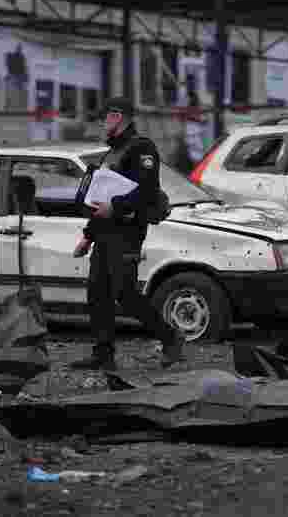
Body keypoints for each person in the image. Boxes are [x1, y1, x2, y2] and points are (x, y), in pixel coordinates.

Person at [70, 97, 184, 371]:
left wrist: (117, 206)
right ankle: (103, 354)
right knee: (98, 292)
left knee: (126, 293)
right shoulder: (109, 154)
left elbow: (146, 190)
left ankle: (171, 338)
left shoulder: (141, 148)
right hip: (106, 231)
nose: (102, 122)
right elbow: (101, 199)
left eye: (105, 117)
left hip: (128, 231)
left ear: (118, 116)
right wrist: (88, 235)